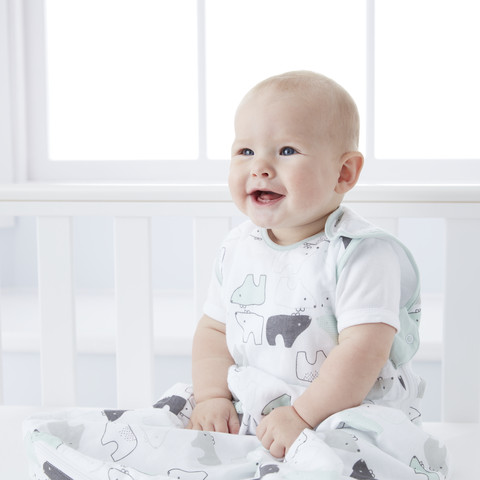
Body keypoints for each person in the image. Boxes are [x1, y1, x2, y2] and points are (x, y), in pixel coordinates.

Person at [187, 70, 424, 460]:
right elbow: (214, 330)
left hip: (340, 413)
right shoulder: (237, 247)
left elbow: (363, 351)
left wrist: (301, 415)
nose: (259, 167)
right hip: (253, 406)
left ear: (343, 173)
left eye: (286, 151)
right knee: (176, 432)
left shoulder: (360, 253)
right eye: (245, 152)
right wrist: (212, 397)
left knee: (348, 459)